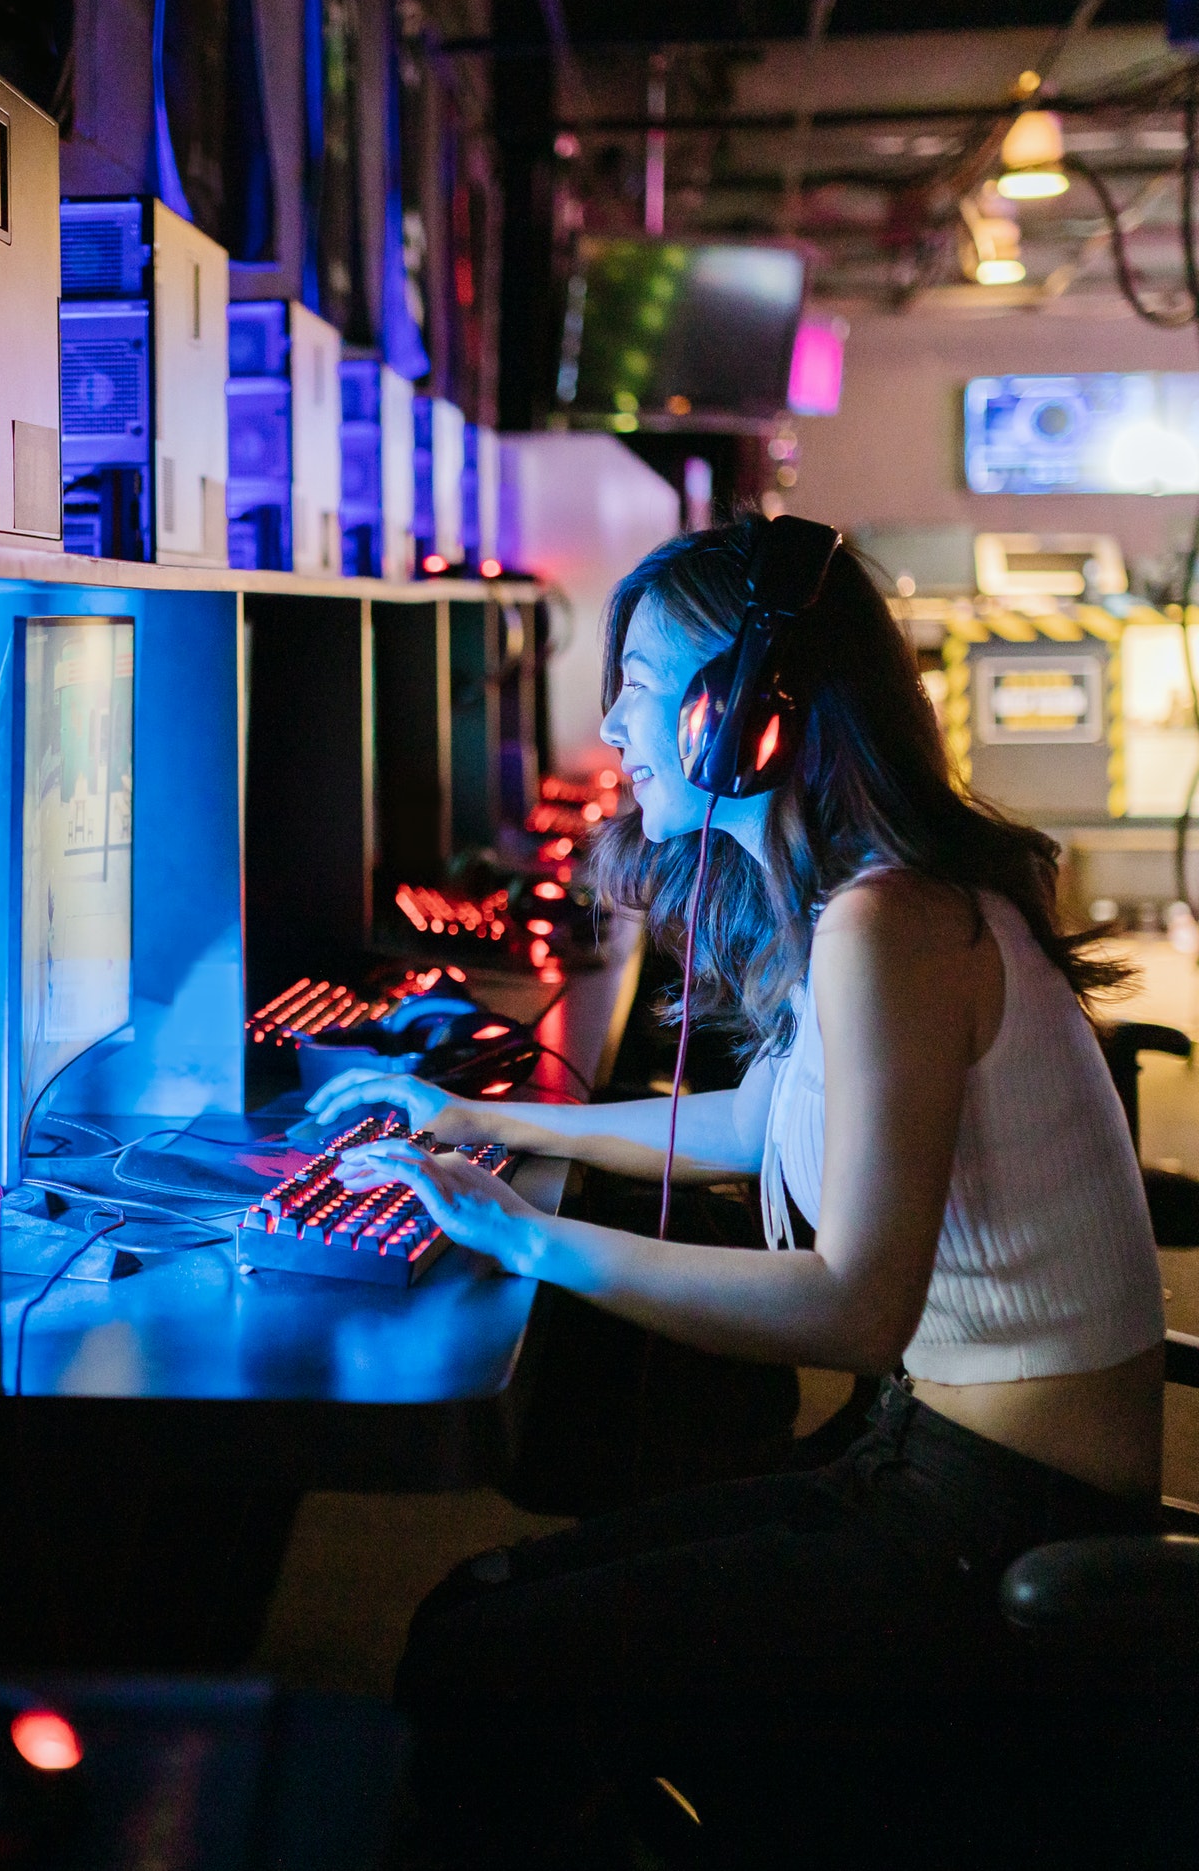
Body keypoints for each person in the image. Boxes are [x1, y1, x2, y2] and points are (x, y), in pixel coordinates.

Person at [311, 517, 1166, 1865]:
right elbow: (761, 1125)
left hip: (999, 1516)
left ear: (747, 719)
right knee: (482, 1615)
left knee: (484, 1651)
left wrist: (525, 1237)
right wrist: (478, 1114)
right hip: (927, 1461)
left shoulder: (893, 924)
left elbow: (853, 1307)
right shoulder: (864, 900)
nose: (615, 723)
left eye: (642, 685)